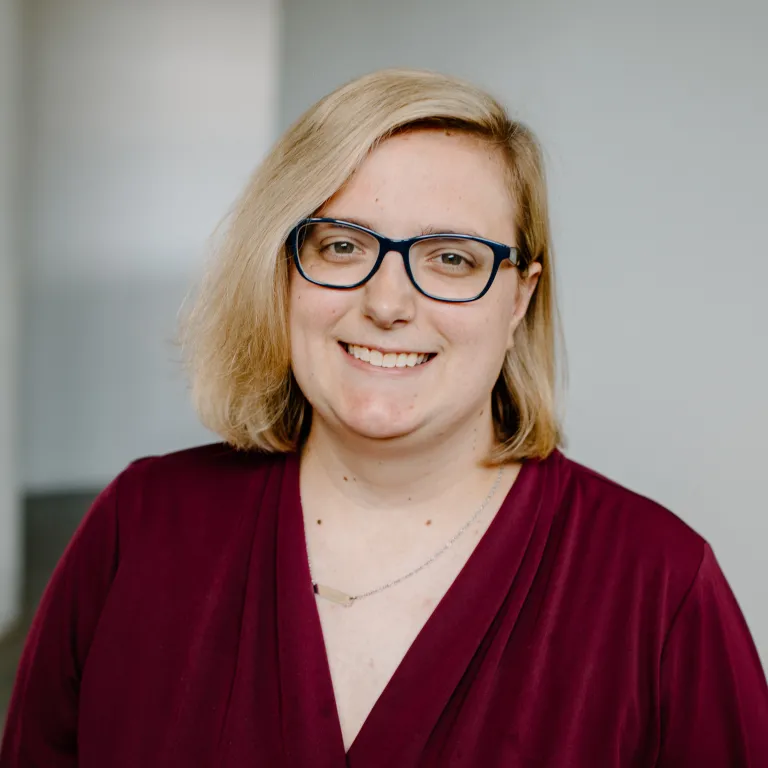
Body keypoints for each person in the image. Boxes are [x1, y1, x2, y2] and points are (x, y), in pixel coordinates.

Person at [2, 68, 767, 768]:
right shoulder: (141, 524)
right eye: (342, 245)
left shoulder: (659, 587)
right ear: (283, 273)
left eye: (452, 258)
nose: (389, 304)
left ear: (519, 300)